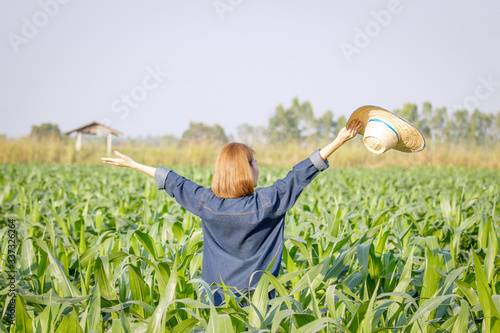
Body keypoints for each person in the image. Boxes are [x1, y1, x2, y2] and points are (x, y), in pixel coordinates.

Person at [101, 120, 363, 305]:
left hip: (216, 305)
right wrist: (338, 141)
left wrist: (135, 165)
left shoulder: (207, 204)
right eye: (254, 162)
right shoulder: (268, 203)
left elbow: (175, 182)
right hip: (258, 306)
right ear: (246, 169)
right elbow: (300, 174)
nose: (258, 167)